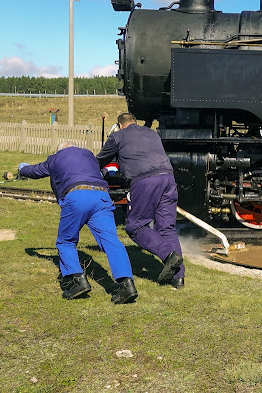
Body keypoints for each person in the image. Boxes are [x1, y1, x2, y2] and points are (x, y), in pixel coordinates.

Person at [18, 142, 138, 303]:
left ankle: (77, 280)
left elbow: (34, 171)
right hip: (102, 196)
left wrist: (22, 168)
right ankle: (126, 285)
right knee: (111, 241)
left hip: (77, 195)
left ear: (60, 150)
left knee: (66, 241)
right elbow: (102, 172)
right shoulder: (89, 156)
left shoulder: (56, 158)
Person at [96, 113, 185, 288]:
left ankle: (168, 255)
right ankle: (178, 278)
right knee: (166, 227)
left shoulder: (117, 135)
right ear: (135, 123)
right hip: (168, 177)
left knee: (136, 226)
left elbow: (102, 159)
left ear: (120, 125)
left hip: (145, 180)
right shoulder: (151, 133)